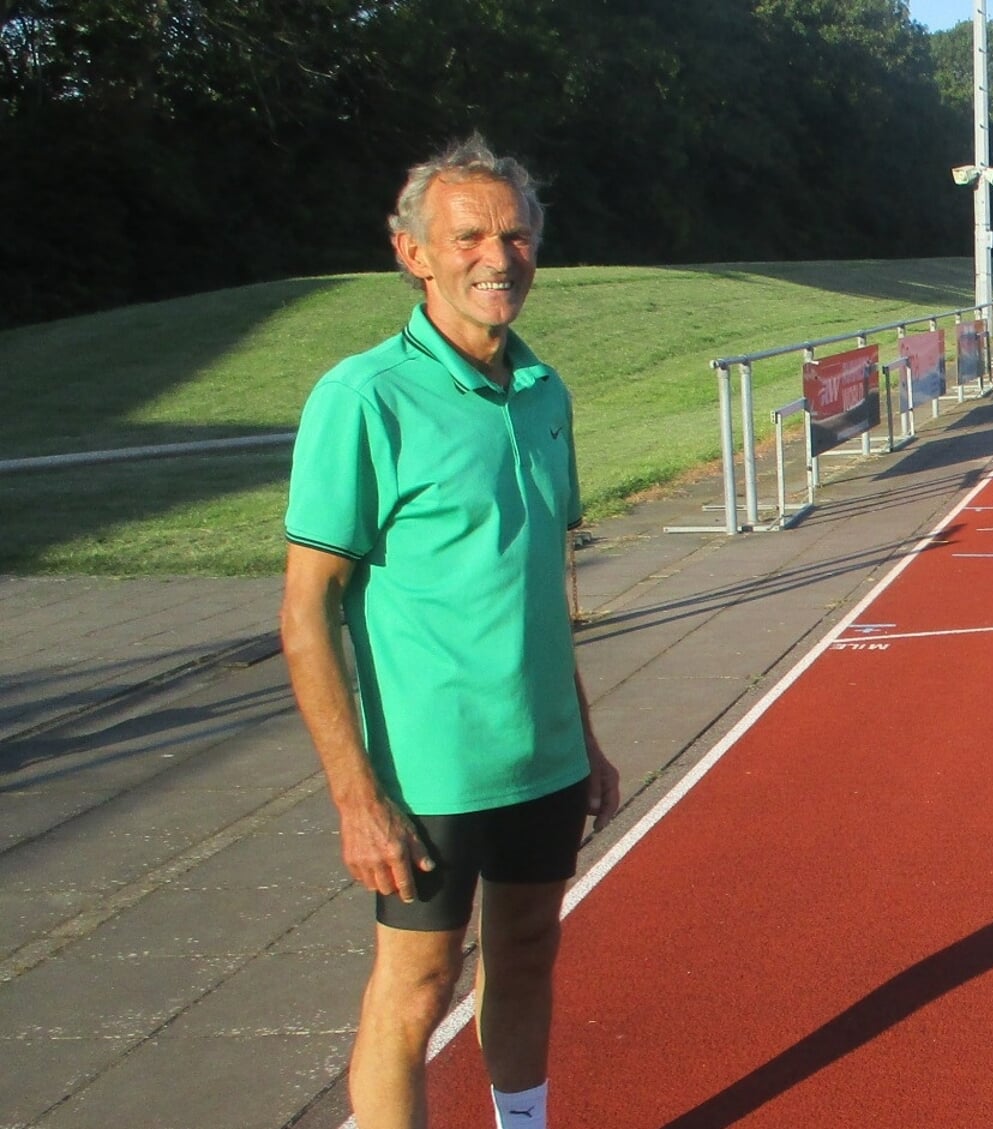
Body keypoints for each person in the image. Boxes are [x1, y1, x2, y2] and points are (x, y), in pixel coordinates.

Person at [281, 135, 621, 1129]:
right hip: (429, 773)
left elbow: (539, 586)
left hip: (544, 756)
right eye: (467, 234)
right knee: (418, 986)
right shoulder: (364, 397)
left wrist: (586, 735)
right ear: (413, 253)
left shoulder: (543, 392)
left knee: (525, 955)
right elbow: (307, 608)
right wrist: (356, 798)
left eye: (515, 234)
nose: (497, 255)